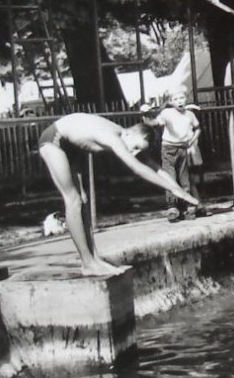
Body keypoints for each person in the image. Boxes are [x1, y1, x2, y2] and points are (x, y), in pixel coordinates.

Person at [38, 112, 200, 277]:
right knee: (73, 200)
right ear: (129, 133)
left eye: (139, 150)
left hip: (72, 145)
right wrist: (172, 190)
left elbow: (154, 167)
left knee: (84, 201)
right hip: (54, 140)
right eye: (135, 147)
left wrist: (178, 189)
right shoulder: (114, 138)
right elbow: (137, 168)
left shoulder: (128, 137)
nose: (135, 152)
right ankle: (87, 263)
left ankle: (93, 259)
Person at [142, 88, 201, 222]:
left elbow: (197, 128)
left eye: (181, 98)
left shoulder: (190, 114)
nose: (179, 101)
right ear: (170, 102)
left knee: (184, 176)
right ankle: (172, 206)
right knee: (170, 176)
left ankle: (186, 205)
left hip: (183, 147)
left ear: (186, 98)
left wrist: (192, 140)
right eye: (175, 99)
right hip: (169, 147)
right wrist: (146, 114)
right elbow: (155, 123)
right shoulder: (167, 113)